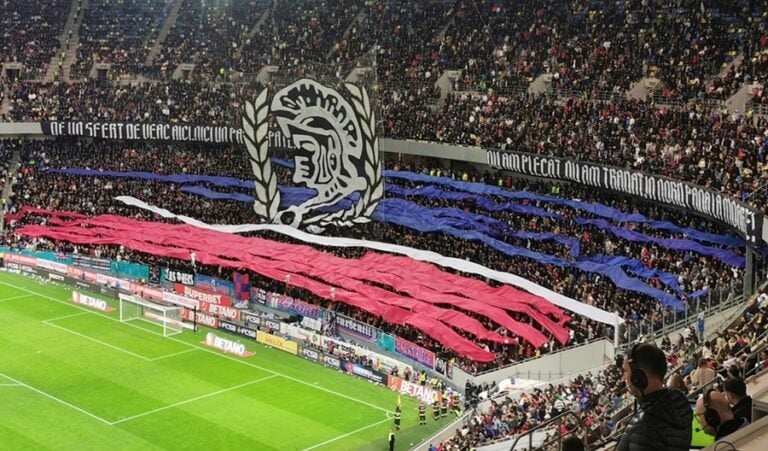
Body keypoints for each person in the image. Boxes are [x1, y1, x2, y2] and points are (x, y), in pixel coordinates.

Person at [617, 343, 692, 451]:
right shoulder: (680, 403)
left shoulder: (643, 426)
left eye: (625, 371)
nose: (623, 377)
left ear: (638, 377)